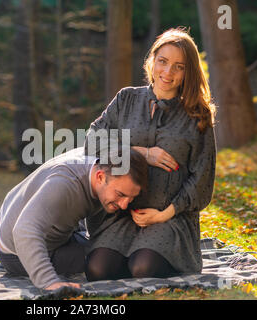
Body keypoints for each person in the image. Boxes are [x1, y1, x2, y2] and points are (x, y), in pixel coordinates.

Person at [84, 28, 217, 281]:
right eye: (163, 62)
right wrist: (141, 153)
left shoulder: (198, 117)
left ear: (188, 72)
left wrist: (164, 214)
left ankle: (151, 255)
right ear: (152, 61)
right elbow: (92, 142)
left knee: (143, 269)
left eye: (179, 66)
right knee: (97, 270)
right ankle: (127, 254)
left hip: (170, 218)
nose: (168, 72)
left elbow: (202, 180)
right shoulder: (126, 99)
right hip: (122, 216)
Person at [0, 147, 148, 290]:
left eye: (131, 198)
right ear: (100, 177)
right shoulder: (64, 184)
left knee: (104, 250)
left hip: (21, 216)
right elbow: (24, 231)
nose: (124, 205)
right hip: (16, 252)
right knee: (103, 261)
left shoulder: (99, 163)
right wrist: (50, 282)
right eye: (120, 195)